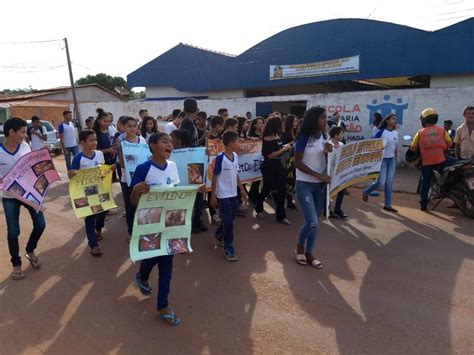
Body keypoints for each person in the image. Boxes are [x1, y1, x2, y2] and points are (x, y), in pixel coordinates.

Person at [131, 132, 182, 326]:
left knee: (167, 264)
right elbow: (133, 202)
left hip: (169, 224)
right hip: (150, 224)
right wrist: (136, 190)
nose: (170, 145)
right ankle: (142, 276)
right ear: (153, 146)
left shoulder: (173, 166)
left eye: (171, 142)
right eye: (165, 142)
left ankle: (163, 306)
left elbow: (176, 193)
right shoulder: (143, 168)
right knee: (152, 258)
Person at [0, 117, 45, 280]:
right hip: (9, 196)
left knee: (40, 225)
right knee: (13, 232)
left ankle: (30, 250)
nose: (25, 135)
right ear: (11, 132)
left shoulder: (25, 146)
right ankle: (16, 264)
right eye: (23, 132)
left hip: (29, 194)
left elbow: (33, 166)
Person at [294, 106, 332, 269]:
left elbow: (330, 159)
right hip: (304, 184)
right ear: (314, 119)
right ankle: (300, 247)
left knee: (316, 222)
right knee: (312, 222)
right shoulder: (303, 137)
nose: (325, 120)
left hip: (321, 187)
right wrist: (317, 175)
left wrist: (327, 152)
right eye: (322, 118)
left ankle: (309, 252)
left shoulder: (325, 136)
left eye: (326, 117)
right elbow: (297, 163)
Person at [210, 130, 248, 261]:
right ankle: (229, 247)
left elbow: (236, 174)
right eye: (237, 141)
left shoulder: (235, 156)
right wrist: (213, 195)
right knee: (228, 221)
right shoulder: (220, 158)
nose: (239, 143)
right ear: (231, 143)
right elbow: (215, 176)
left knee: (231, 218)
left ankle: (219, 234)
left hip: (233, 193)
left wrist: (242, 190)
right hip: (222, 194)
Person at [68, 130, 107, 256]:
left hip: (100, 190)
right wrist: (71, 174)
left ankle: (98, 228)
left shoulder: (100, 154)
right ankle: (93, 244)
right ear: (82, 143)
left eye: (95, 140)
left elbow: (103, 170)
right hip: (86, 192)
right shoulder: (78, 158)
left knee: (103, 211)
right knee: (90, 217)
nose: (94, 142)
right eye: (91, 140)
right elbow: (73, 176)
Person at [410, 108, 452, 211]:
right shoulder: (442, 130)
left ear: (424, 120)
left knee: (425, 183)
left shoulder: (420, 133)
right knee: (453, 167)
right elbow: (450, 143)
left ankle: (423, 205)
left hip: (427, 163)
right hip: (441, 160)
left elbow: (413, 148)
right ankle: (448, 189)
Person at [254, 116, 292, 225]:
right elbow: (270, 155)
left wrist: (285, 147)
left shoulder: (276, 135)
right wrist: (283, 149)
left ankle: (281, 216)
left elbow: (277, 149)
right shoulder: (266, 138)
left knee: (282, 189)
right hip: (269, 166)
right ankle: (259, 208)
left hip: (278, 165)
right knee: (267, 188)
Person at [362, 114, 399, 212]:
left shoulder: (395, 132)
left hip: (391, 160)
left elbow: (395, 147)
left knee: (389, 183)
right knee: (381, 182)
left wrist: (395, 158)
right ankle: (366, 191)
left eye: (395, 119)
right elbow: (372, 143)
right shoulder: (381, 132)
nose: (395, 121)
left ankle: (387, 205)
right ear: (387, 121)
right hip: (382, 160)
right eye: (393, 119)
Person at [118, 117, 147, 239]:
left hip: (143, 179)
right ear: (124, 127)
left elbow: (147, 158)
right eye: (129, 126)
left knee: (142, 205)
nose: (132, 128)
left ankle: (142, 229)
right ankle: (132, 232)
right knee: (130, 205)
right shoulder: (122, 144)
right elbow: (122, 164)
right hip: (128, 180)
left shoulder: (143, 141)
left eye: (134, 126)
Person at [328, 126, 348, 218]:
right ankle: (327, 209)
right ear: (336, 135)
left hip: (339, 172)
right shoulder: (328, 145)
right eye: (341, 134)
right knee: (330, 192)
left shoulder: (341, 144)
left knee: (342, 190)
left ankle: (338, 209)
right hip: (331, 173)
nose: (342, 135)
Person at [281, 114, 299, 210]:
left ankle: (289, 200)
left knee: (292, 180)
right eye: (294, 121)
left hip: (294, 160)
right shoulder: (285, 133)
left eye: (297, 121)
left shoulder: (296, 132)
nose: (296, 123)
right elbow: (281, 146)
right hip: (286, 160)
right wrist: (291, 144)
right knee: (286, 180)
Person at [247, 117, 265, 203]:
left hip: (262, 157)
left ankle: (253, 194)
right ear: (254, 125)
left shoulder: (264, 133)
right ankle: (253, 195)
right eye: (259, 123)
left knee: (259, 177)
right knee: (255, 178)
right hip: (253, 159)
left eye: (262, 123)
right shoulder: (252, 135)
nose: (261, 125)